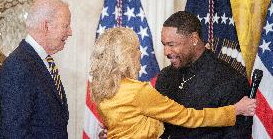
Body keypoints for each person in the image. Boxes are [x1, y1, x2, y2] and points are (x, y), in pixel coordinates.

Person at [90, 27, 256, 139]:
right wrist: (234, 110)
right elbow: (187, 117)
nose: (140, 53)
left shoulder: (100, 90)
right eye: (136, 48)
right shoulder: (137, 91)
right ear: (125, 56)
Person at [156, 11, 253, 138]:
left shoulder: (231, 80)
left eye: (172, 44)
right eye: (164, 44)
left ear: (194, 39)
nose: (166, 52)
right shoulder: (166, 76)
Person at [0, 0, 72, 139]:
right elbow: (14, 134)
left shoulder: (41, 62)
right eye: (65, 25)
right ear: (46, 26)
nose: (70, 32)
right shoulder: (18, 66)